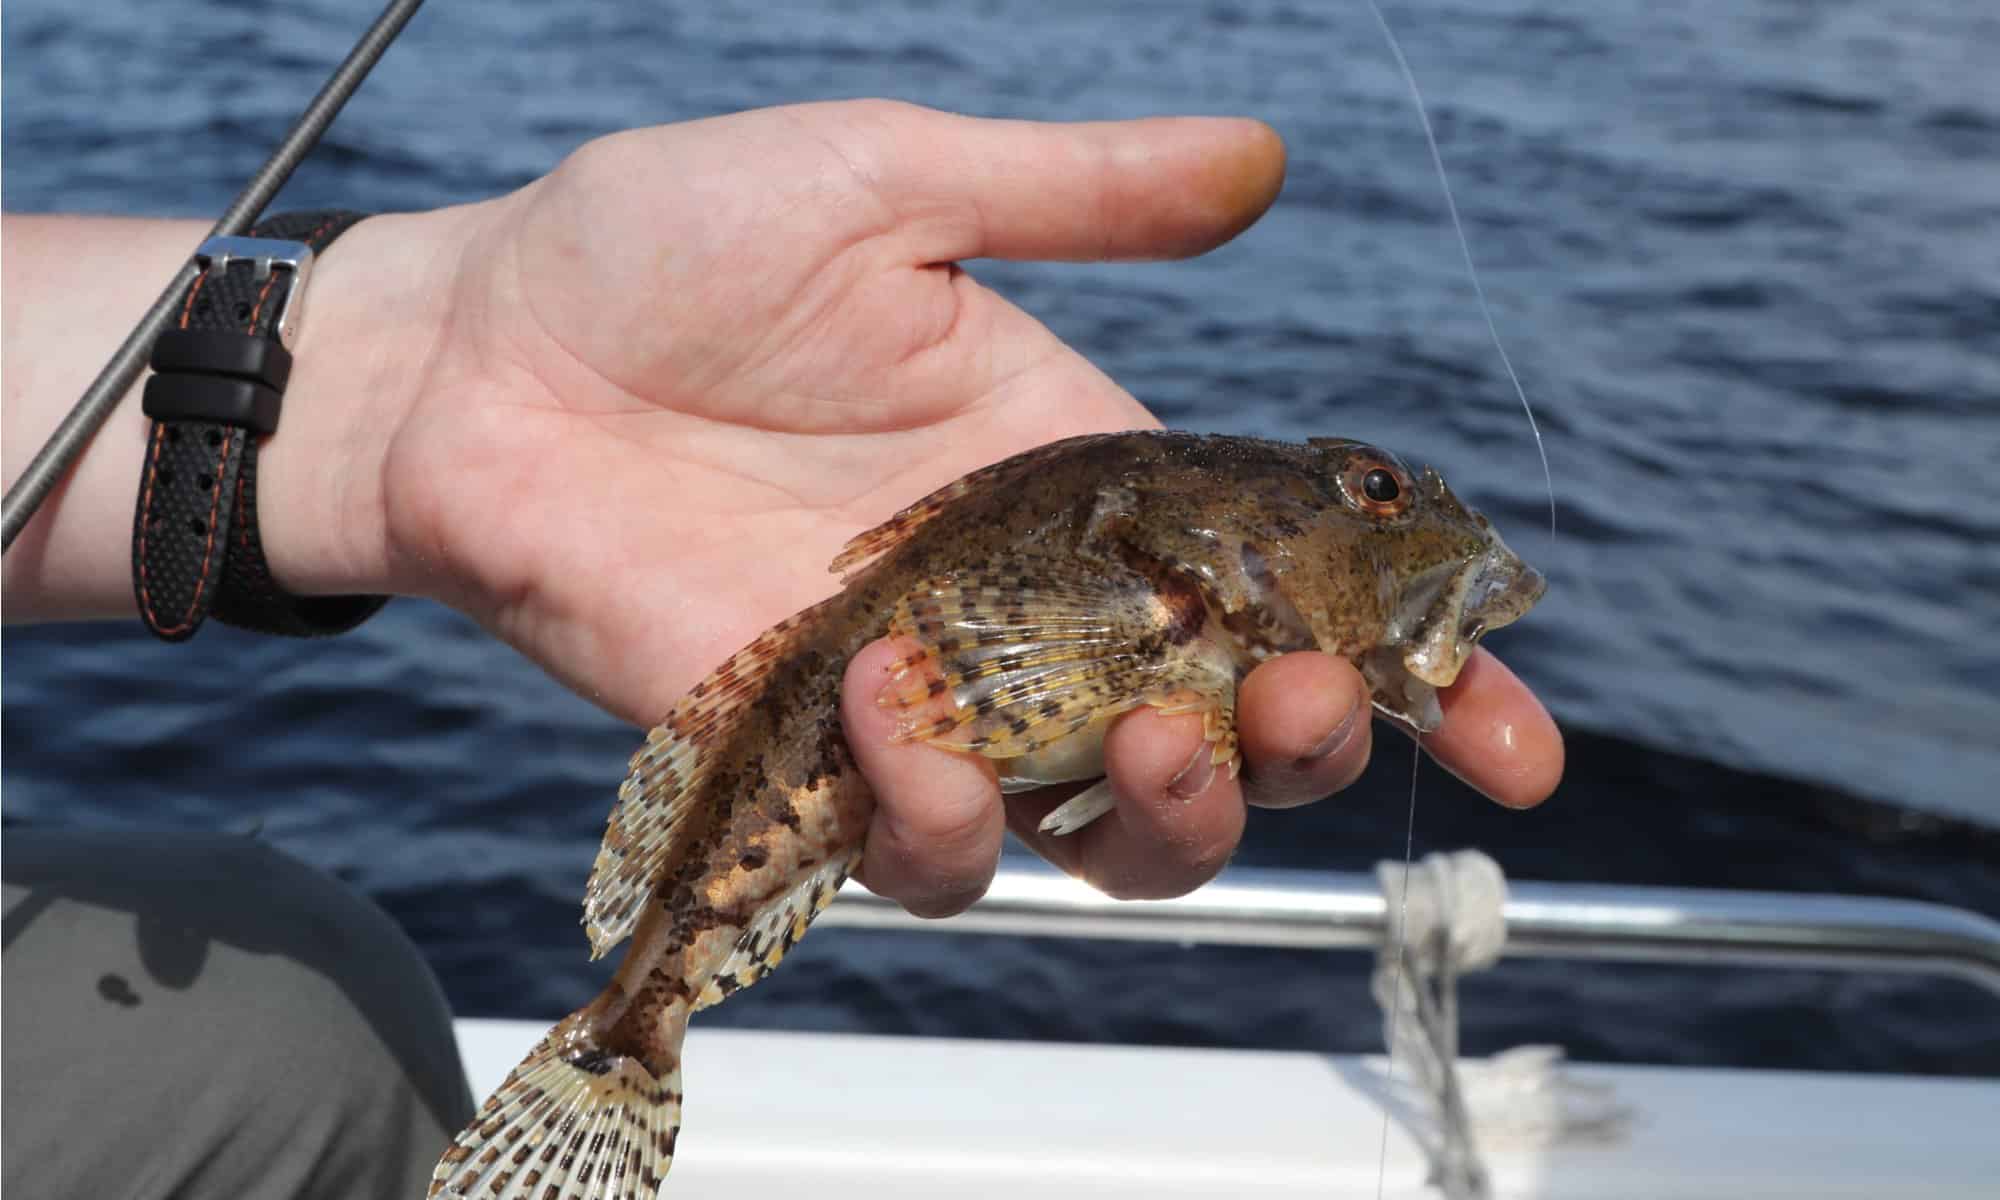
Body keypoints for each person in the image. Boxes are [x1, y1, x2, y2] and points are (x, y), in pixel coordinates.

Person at [2, 100, 1563, 1198]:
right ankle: (631, 1036)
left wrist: (410, 356)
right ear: (1220, 533)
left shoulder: (1179, 558)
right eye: (1370, 497)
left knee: (302, 1006)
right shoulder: (1152, 561)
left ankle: (629, 1029)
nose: (1402, 520)